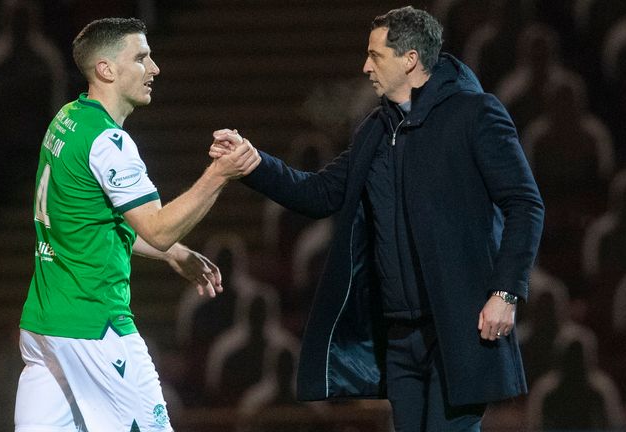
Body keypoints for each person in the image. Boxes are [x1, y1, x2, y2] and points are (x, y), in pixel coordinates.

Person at [211, 6, 544, 432]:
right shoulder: (376, 129)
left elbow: (525, 204)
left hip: (458, 330)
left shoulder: (476, 114)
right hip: (401, 339)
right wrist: (253, 163)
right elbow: (319, 194)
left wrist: (506, 292)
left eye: (376, 55)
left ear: (409, 59)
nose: (365, 66)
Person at [14, 17, 260, 432]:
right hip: (94, 328)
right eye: (142, 58)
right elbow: (159, 228)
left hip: (43, 330)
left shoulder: (67, 119)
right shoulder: (109, 143)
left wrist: (175, 253)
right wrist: (221, 173)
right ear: (106, 69)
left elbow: (85, 226)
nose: (154, 68)